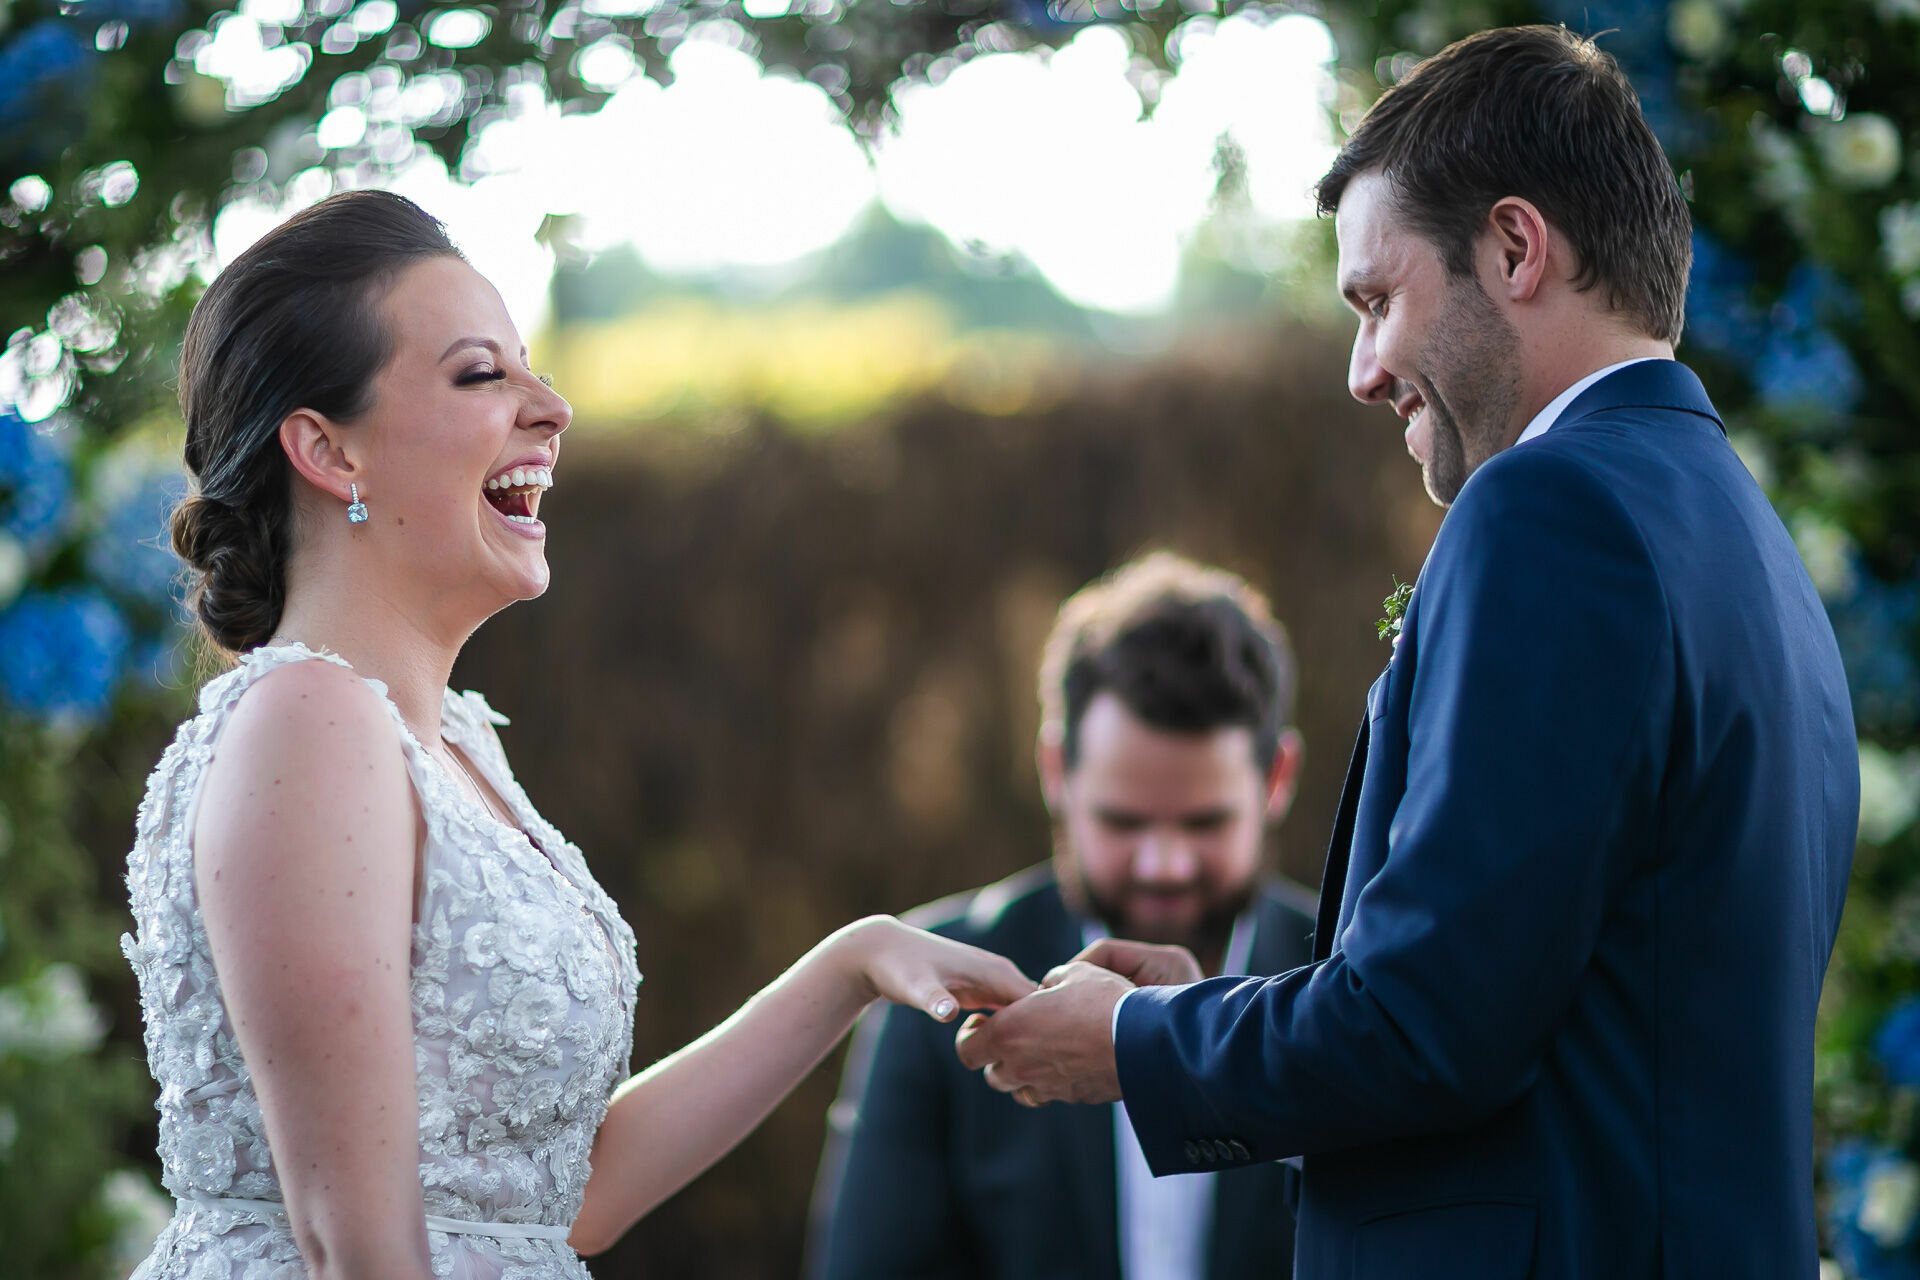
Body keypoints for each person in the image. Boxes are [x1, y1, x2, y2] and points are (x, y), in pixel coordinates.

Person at [952, 25, 1859, 1279]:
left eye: (1378, 302)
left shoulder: (1553, 512)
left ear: (1515, 246)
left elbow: (1436, 1025)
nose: (1362, 371)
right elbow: (1556, 1012)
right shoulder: (1739, 530)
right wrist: (1199, 1006)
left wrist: (1140, 1043)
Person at [119, 188, 1035, 1280]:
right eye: (481, 373)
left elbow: (569, 1197)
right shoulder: (307, 722)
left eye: (530, 366)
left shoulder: (458, 747)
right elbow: (350, 1243)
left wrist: (854, 961)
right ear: (327, 448)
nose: (550, 408)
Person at [807, 552, 1317, 1280]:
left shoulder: (1341, 979)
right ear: (1056, 773)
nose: (1163, 865)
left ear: (1276, 780)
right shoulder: (933, 994)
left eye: (1204, 823)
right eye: (1124, 822)